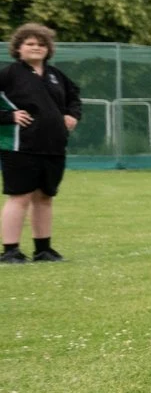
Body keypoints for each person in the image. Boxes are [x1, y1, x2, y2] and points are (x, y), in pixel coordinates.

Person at [1, 24, 80, 264]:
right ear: (18, 48)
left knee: (45, 197)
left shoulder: (56, 76)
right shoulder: (9, 74)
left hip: (53, 145)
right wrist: (8, 116)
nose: (36, 48)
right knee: (20, 196)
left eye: (41, 44)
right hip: (20, 145)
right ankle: (10, 251)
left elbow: (74, 97)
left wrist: (72, 115)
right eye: (30, 44)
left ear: (48, 49)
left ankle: (43, 250)